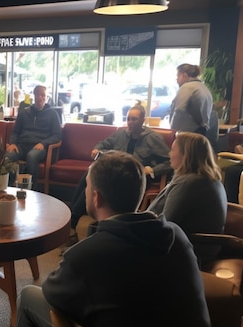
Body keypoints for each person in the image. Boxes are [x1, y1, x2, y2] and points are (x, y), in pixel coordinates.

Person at [0, 151, 212, 327]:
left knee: (28, 295)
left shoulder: (87, 255)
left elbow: (53, 294)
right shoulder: (177, 235)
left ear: (96, 198)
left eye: (87, 186)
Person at [61, 103, 172, 253]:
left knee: (97, 182)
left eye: (134, 119)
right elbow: (102, 144)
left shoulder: (153, 138)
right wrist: (97, 150)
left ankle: (73, 224)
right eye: (128, 119)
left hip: (136, 178)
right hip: (115, 173)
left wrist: (151, 170)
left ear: (142, 120)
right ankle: (72, 223)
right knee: (90, 175)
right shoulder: (121, 134)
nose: (130, 123)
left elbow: (169, 161)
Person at [147, 132, 227, 236]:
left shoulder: (188, 183)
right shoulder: (208, 180)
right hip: (195, 244)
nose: (169, 154)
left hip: (187, 247)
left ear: (185, 154)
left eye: (172, 150)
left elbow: (165, 225)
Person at [6, 85, 62, 190]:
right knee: (7, 157)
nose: (40, 98)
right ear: (34, 96)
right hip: (21, 146)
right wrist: (12, 143)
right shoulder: (24, 113)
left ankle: (33, 190)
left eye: (43, 95)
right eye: (38, 95)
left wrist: (43, 143)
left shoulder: (52, 114)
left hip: (39, 147)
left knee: (31, 156)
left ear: (46, 97)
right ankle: (8, 189)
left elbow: (57, 135)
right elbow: (15, 132)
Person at [169, 63, 213, 136]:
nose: (176, 80)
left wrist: (173, 130)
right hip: (202, 131)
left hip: (187, 133)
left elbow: (179, 110)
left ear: (184, 75)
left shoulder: (187, 87)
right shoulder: (204, 88)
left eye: (177, 76)